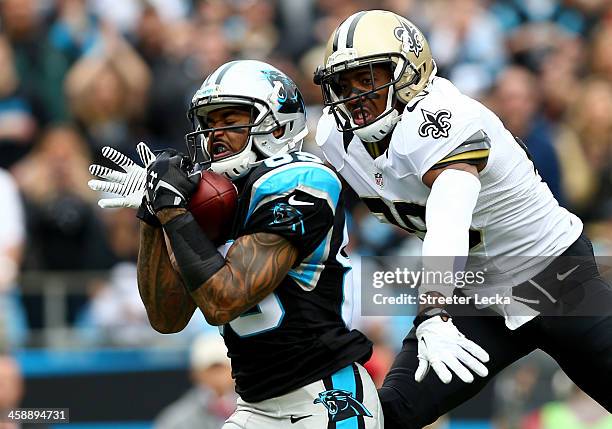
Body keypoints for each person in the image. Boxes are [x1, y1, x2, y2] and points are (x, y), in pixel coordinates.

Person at [313, 9, 612, 429]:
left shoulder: (440, 116)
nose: (356, 96)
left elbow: (450, 218)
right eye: (344, 84)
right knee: (388, 415)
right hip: (474, 292)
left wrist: (433, 311)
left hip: (554, 278)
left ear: (409, 72)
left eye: (369, 79)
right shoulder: (335, 138)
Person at [88, 60, 383, 428]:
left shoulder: (300, 178)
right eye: (209, 125)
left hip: (325, 398)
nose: (215, 135)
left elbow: (223, 300)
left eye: (230, 121)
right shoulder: (217, 196)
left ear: (276, 124)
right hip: (253, 405)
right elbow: (166, 318)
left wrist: (175, 212)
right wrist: (154, 212)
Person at [154, 334, 236, 429]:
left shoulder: (251, 408)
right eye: (211, 369)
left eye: (222, 368)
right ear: (195, 374)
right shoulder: (175, 419)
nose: (217, 376)